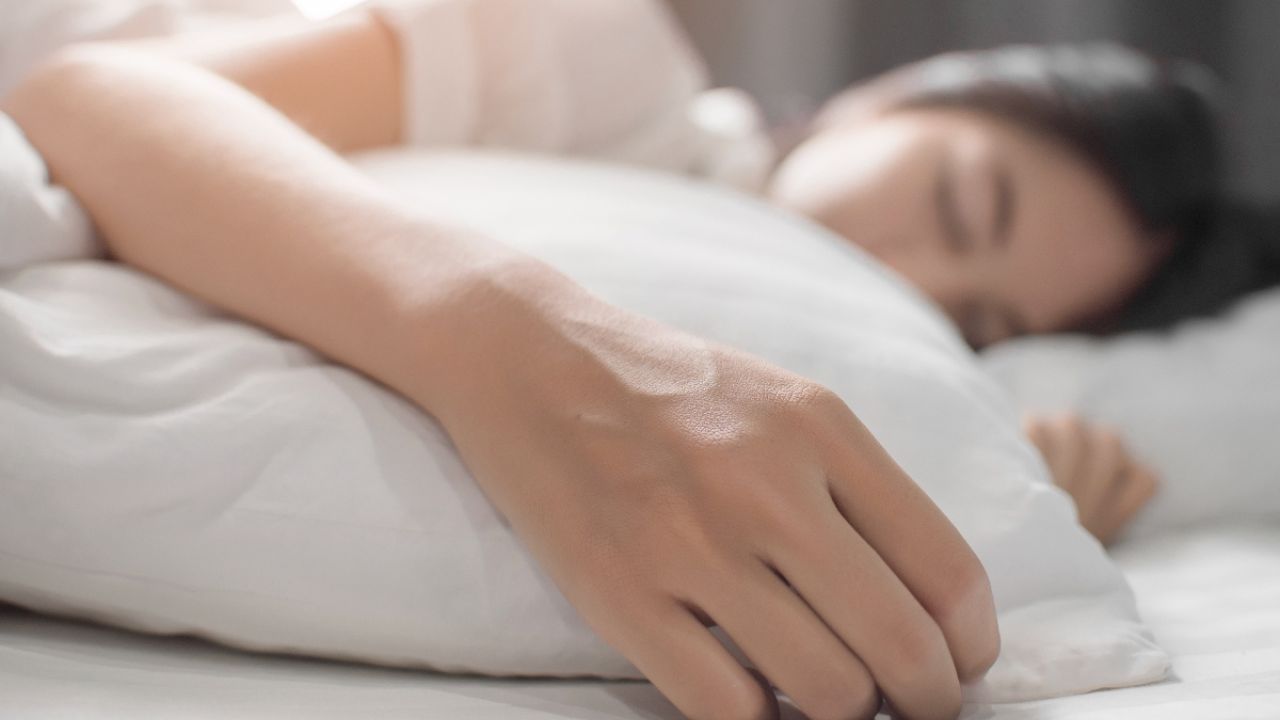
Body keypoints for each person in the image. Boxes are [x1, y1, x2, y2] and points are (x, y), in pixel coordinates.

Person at [3, 1, 1275, 717]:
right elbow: (91, 97)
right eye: (958, 207)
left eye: (981, 317)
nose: (916, 280)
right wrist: (530, 356)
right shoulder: (606, 61)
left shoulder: (854, 336)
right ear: (904, 92)